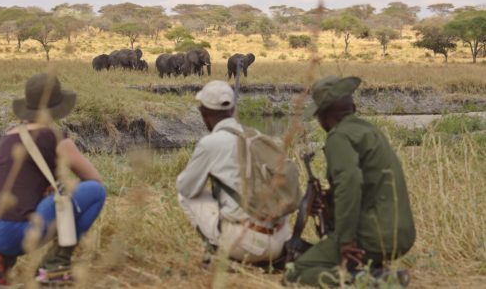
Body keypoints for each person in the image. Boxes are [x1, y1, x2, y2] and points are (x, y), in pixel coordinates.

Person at [283, 75, 416, 287]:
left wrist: (345, 240)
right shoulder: (370, 131)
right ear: (353, 107)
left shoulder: (339, 136)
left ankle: (373, 281)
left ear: (324, 116)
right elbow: (365, 186)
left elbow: (350, 183)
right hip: (403, 235)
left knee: (295, 272)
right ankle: (372, 268)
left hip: (374, 236)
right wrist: (327, 199)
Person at [0, 73, 106, 285]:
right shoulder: (55, 137)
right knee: (95, 191)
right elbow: (94, 179)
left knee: (53, 196)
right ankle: (54, 265)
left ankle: (0, 257)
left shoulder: (8, 136)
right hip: (15, 232)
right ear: (56, 107)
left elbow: (18, 183)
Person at [176, 80, 291, 266]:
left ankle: (217, 251)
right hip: (280, 244)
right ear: (233, 109)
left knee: (186, 195)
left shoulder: (211, 143)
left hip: (246, 245)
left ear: (204, 113)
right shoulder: (257, 137)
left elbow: (186, 188)